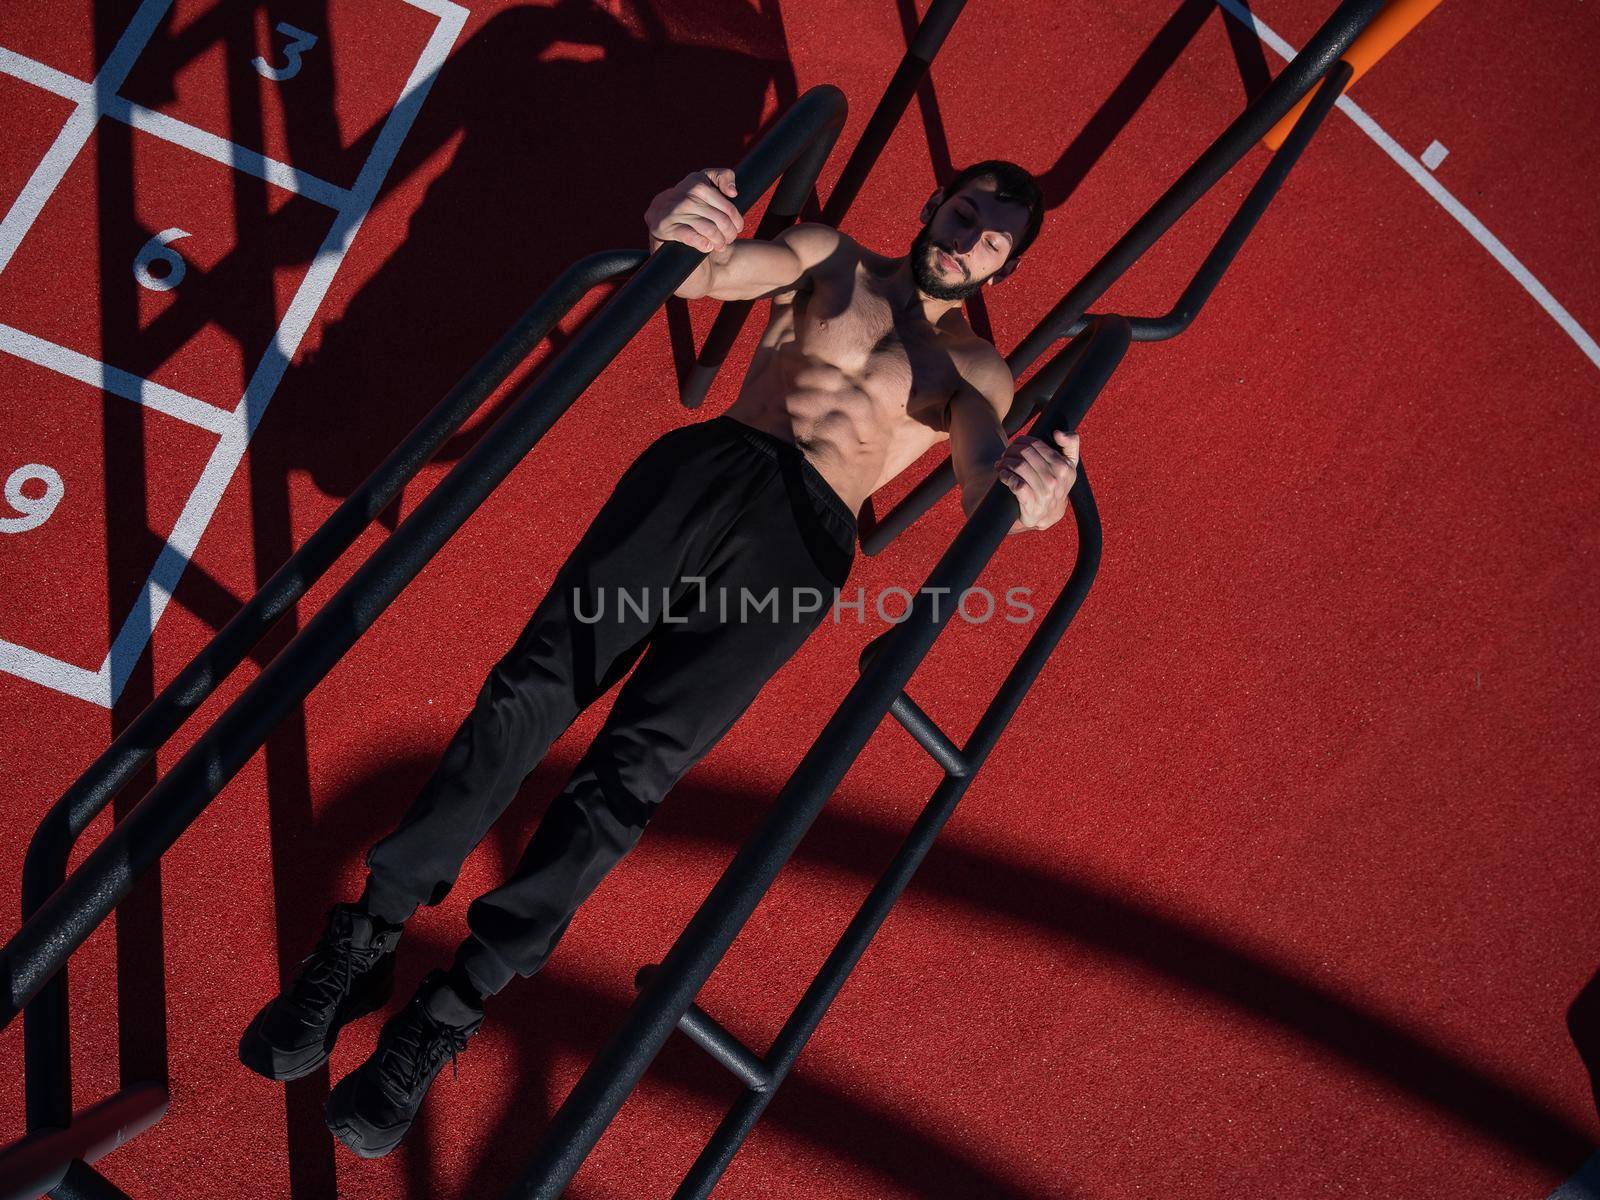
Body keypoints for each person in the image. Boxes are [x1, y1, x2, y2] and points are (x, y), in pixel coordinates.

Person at [238, 159, 1081, 1159]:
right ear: (931, 202)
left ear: (1006, 265)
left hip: (801, 546)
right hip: (708, 470)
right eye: (961, 212)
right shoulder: (829, 255)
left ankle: (454, 1005)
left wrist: (1042, 495)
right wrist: (672, 224)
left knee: (629, 773)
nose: (964, 237)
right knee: (530, 690)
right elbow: (711, 274)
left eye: (990, 238)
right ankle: (367, 938)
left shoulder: (977, 369)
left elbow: (986, 471)